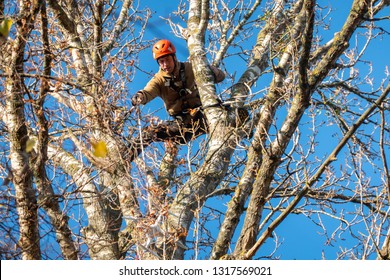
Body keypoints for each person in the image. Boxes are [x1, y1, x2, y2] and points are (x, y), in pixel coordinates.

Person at [129, 39, 225, 160]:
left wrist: (210, 70)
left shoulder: (191, 68)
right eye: (161, 62)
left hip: (203, 116)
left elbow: (220, 77)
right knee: (148, 132)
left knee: (229, 113)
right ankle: (125, 159)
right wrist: (140, 97)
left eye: (167, 60)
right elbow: (148, 91)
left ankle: (245, 127)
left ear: (174, 57)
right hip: (181, 126)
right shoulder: (159, 80)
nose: (165, 65)